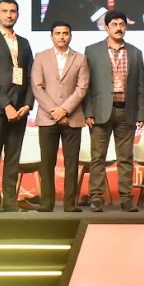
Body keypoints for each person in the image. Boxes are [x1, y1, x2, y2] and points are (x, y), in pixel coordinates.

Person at [83, 11, 144, 212]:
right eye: (114, 24)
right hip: (100, 111)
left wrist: (141, 114)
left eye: (122, 24)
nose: (118, 28)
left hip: (126, 111)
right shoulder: (92, 51)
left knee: (125, 157)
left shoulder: (135, 52)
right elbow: (87, 84)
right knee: (98, 157)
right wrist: (88, 111)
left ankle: (126, 198)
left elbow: (141, 85)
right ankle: (96, 197)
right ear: (106, 27)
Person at [0, 0, 36, 212]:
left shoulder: (24, 42)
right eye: (5, 11)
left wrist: (27, 105)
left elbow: (31, 77)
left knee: (13, 157)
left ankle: (10, 201)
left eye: (13, 11)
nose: (9, 15)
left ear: (18, 15)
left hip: (20, 109)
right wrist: (6, 105)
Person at [30, 21, 90, 212]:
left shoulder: (80, 58)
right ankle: (47, 202)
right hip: (47, 117)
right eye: (58, 33)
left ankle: (70, 204)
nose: (62, 37)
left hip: (72, 117)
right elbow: (37, 87)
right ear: (51, 36)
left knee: (72, 163)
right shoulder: (41, 57)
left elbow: (82, 88)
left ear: (70, 36)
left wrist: (64, 110)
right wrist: (54, 111)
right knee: (47, 162)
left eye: (65, 33)